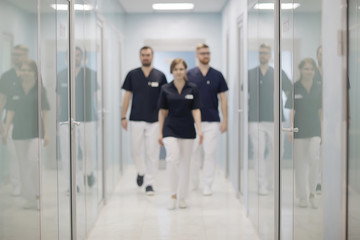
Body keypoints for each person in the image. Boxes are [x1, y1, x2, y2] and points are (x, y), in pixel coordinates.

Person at [2, 59, 50, 209]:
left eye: (28, 70)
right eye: (23, 70)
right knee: (22, 165)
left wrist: (47, 133)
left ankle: (38, 194)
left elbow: (45, 112)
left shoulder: (40, 90)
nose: (25, 73)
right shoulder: (15, 88)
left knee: (34, 162)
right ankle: (29, 198)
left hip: (36, 132)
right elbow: (10, 110)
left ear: (34, 72)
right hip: (19, 132)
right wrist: (5, 131)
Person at [158, 58, 203, 210]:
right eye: (176, 69)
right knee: (172, 159)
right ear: (172, 71)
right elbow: (162, 112)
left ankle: (183, 197)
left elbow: (196, 110)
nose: (178, 72)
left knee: (186, 165)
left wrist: (200, 129)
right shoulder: (165, 89)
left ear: (185, 70)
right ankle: (173, 195)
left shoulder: (193, 88)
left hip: (188, 130)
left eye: (181, 69)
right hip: (170, 128)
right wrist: (160, 132)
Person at [121, 46, 167, 195]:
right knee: (135, 151)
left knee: (153, 153)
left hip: (154, 120)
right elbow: (127, 96)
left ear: (152, 56)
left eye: (148, 55)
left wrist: (164, 121)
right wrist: (123, 116)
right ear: (140, 56)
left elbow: (165, 100)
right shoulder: (132, 74)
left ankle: (150, 183)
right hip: (136, 118)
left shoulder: (160, 75)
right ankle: (141, 171)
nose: (145, 57)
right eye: (143, 55)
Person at [248, 43, 292, 195]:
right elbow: (243, 94)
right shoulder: (251, 74)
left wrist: (290, 115)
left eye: (266, 53)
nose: (263, 55)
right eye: (260, 53)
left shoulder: (278, 73)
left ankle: (270, 180)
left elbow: (289, 92)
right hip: (256, 119)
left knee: (277, 151)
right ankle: (261, 184)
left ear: (270, 56)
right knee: (258, 151)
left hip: (275, 119)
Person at [187, 43, 228, 196]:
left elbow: (223, 98)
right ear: (197, 55)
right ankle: (193, 183)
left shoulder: (217, 75)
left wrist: (225, 120)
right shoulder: (189, 74)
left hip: (212, 120)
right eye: (203, 53)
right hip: (192, 122)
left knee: (210, 153)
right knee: (193, 154)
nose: (206, 55)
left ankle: (207, 185)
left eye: (208, 53)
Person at [57, 46, 99, 192]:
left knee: (88, 148)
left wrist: (97, 116)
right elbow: (59, 98)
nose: (75, 58)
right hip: (66, 118)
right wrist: (58, 119)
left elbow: (95, 97)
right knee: (67, 152)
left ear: (82, 57)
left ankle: (88, 172)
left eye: (78, 55)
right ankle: (72, 184)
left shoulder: (90, 74)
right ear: (67, 58)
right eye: (72, 55)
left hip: (87, 117)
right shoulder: (61, 74)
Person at [285, 58, 322, 209]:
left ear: (315, 71)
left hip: (315, 130)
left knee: (314, 160)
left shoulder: (319, 87)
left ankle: (312, 193)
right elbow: (292, 111)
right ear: (301, 70)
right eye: (306, 69)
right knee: (300, 165)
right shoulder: (295, 87)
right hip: (299, 131)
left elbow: (321, 111)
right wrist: (290, 130)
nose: (309, 71)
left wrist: (323, 131)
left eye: (311, 69)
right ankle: (301, 197)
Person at [0, 45, 29, 196]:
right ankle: (17, 185)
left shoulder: (31, 74)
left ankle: (28, 185)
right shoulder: (6, 76)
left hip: (29, 125)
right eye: (14, 54)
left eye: (19, 55)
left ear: (26, 56)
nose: (15, 57)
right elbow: (2, 100)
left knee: (28, 157)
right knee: (14, 156)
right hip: (11, 124)